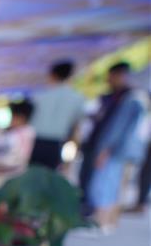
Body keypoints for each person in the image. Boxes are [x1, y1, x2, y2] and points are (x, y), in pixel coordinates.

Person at [82, 62, 149, 228]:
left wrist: (105, 148)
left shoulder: (130, 98)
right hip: (124, 150)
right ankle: (109, 221)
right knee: (114, 185)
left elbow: (117, 128)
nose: (109, 80)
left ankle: (102, 222)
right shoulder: (133, 97)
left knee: (105, 185)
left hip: (115, 150)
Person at [29, 59, 85, 170]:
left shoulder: (39, 96)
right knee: (51, 179)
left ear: (52, 75)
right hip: (57, 145)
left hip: (36, 143)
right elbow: (76, 129)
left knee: (33, 177)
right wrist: (69, 160)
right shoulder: (77, 98)